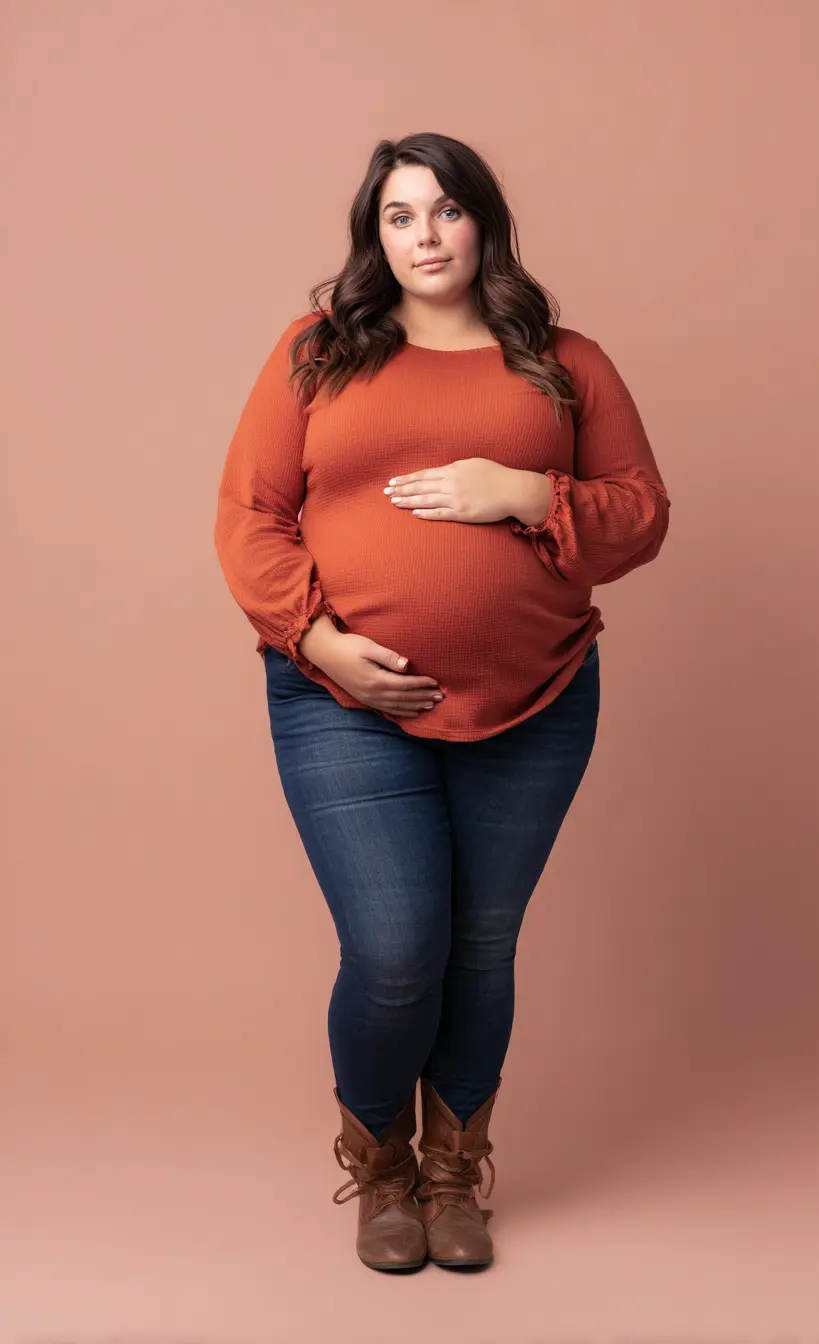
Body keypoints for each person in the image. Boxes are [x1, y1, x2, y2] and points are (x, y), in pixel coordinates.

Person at [213, 131, 671, 1273]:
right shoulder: (316, 354)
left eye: (445, 211)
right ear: (375, 236)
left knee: (480, 944)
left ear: (484, 222)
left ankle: (455, 1172)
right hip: (342, 700)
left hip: (538, 697)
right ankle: (380, 1171)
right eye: (399, 217)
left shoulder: (563, 364)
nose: (425, 237)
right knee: (395, 947)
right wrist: (321, 639)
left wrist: (523, 487)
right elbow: (247, 516)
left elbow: (640, 513)